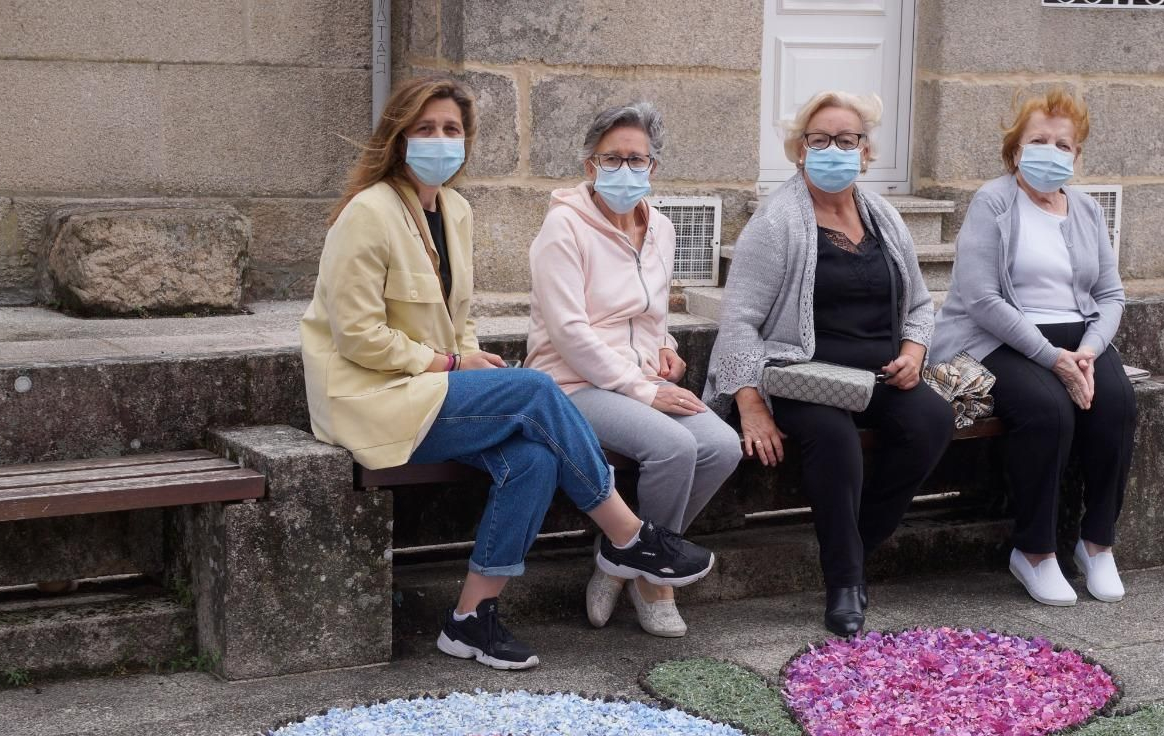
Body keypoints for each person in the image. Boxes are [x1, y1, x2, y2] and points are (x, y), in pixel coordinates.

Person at [300, 77, 714, 671]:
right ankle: (628, 537)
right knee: (536, 389)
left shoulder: (455, 210)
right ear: (397, 138)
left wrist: (469, 356)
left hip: (433, 392)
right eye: (426, 128)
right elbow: (356, 336)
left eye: (451, 129)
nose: (440, 140)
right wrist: (448, 362)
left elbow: (457, 319)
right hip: (373, 399)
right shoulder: (368, 214)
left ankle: (470, 620)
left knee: (534, 458)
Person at [704, 90, 953, 637]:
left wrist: (914, 351)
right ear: (800, 151)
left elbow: (918, 303)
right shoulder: (777, 222)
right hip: (801, 374)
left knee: (933, 422)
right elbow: (740, 320)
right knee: (834, 442)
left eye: (846, 140)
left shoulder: (884, 216)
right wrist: (749, 404)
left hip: (879, 373)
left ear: (865, 152)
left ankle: (855, 547)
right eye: (820, 140)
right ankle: (845, 582)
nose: (833, 149)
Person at [525, 103, 740, 638]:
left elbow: (650, 310)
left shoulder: (661, 227)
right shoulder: (563, 227)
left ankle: (621, 557)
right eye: (611, 158)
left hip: (637, 378)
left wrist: (664, 346)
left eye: (635, 159)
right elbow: (571, 333)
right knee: (674, 446)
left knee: (723, 445)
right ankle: (656, 582)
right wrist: (644, 391)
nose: (624, 170)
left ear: (653, 168)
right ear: (589, 164)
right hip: (571, 383)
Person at [929, 88, 1135, 608]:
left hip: (1078, 337)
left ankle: (1096, 544)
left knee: (1117, 405)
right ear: (1016, 149)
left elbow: (1111, 295)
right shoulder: (993, 201)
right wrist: (1053, 359)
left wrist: (1086, 352)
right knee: (1048, 412)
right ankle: (1036, 551)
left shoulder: (1086, 209)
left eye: (1062, 144)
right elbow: (980, 297)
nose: (1050, 151)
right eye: (1038, 140)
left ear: (1077, 154)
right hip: (994, 338)